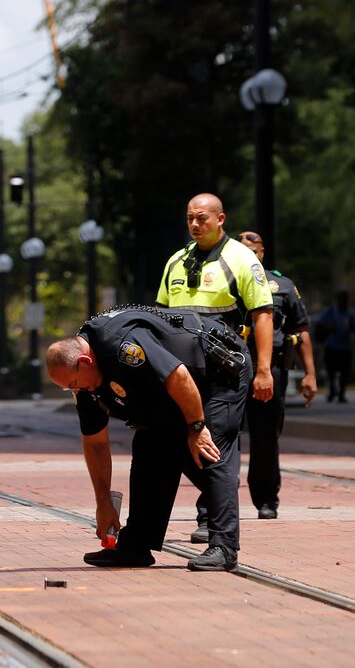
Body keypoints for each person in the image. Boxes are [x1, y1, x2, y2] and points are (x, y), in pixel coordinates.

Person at [47, 305, 250, 571]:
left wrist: (197, 427)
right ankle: (136, 546)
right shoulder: (86, 382)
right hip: (171, 388)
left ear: (85, 362)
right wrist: (103, 503)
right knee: (149, 451)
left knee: (208, 451)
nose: (76, 391)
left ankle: (224, 547)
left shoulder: (122, 345)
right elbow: (95, 443)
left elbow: (178, 376)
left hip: (217, 371)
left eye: (74, 384)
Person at [156, 193, 272, 544]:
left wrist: (264, 370)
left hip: (225, 370)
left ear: (221, 220)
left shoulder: (242, 259)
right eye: (190, 218)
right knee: (181, 442)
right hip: (183, 372)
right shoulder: (177, 261)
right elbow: (159, 315)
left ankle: (218, 532)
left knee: (216, 442)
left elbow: (262, 313)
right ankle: (213, 506)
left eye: (202, 218)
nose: (195, 224)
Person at [235, 231, 316, 521]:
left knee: (266, 437)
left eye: (253, 251)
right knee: (222, 435)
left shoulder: (281, 285)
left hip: (269, 368)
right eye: (242, 252)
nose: (249, 256)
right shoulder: (223, 284)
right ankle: (214, 504)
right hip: (229, 368)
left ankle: (266, 498)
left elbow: (301, 329)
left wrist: (310, 374)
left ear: (262, 252)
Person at [315, 290, 355, 403]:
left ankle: (342, 393)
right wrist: (328, 328)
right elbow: (319, 324)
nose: (343, 302)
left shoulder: (349, 313)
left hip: (345, 346)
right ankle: (332, 390)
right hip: (332, 346)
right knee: (331, 371)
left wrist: (351, 327)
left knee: (345, 371)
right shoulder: (330, 311)